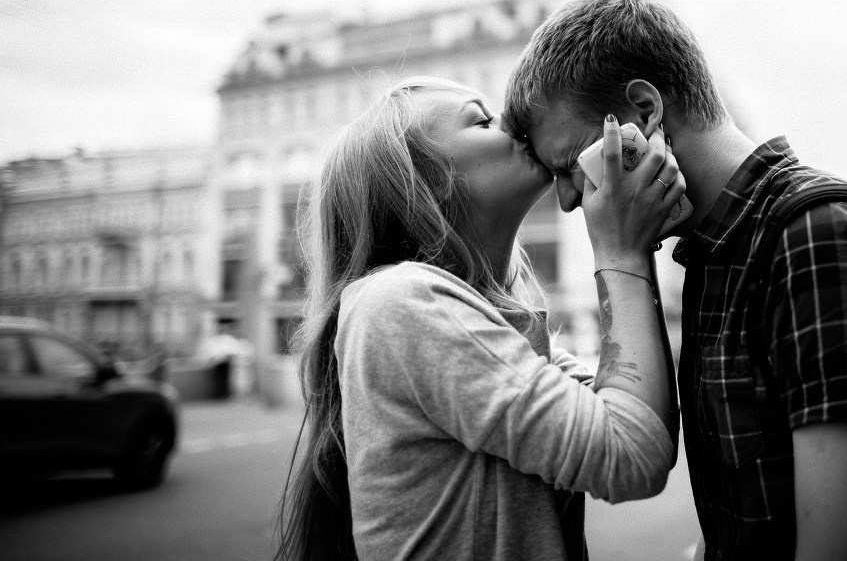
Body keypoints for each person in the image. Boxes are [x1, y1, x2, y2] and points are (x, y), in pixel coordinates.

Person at [503, 0, 847, 561]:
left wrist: (618, 252)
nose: (565, 200)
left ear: (644, 113)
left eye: (569, 165)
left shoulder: (821, 241)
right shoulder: (721, 258)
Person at [275, 76, 685, 561]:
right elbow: (632, 451)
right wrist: (621, 247)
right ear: (421, 183)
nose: (514, 125)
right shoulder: (400, 302)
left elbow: (633, 417)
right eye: (483, 120)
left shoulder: (491, 329)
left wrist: (630, 225)